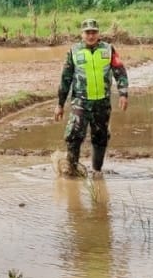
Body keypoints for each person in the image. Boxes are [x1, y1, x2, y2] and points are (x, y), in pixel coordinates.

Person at [54, 18, 129, 174]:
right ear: (82, 34)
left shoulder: (108, 49)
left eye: (94, 32)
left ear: (98, 33)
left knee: (100, 137)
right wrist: (60, 104)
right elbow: (65, 79)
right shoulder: (74, 51)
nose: (91, 36)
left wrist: (123, 93)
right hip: (80, 102)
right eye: (87, 32)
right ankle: (71, 169)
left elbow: (119, 71)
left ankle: (96, 171)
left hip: (102, 102)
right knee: (74, 134)